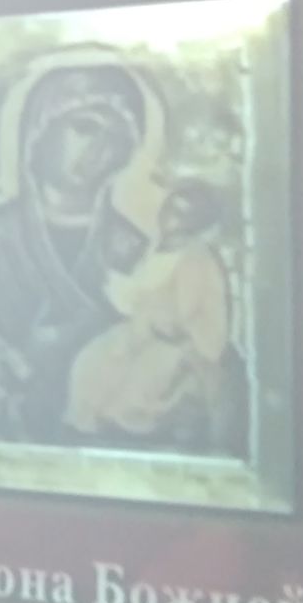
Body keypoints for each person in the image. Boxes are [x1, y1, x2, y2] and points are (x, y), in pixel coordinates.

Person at [0, 61, 153, 444]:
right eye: (84, 128)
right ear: (40, 129)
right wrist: (3, 366)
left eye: (115, 139)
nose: (99, 149)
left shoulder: (135, 249)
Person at [66, 177, 247, 451]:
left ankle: (123, 436)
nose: (173, 218)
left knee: (138, 385)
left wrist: (154, 321)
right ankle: (85, 429)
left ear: (198, 222)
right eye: (172, 207)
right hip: (140, 333)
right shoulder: (154, 248)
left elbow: (183, 320)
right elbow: (137, 296)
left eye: (185, 213)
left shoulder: (196, 258)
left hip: (181, 346)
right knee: (91, 360)